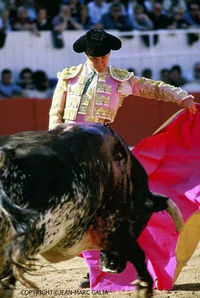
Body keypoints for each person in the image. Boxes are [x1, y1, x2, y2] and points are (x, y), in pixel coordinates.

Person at [48, 29, 197, 291]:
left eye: (104, 57)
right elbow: (55, 114)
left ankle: (101, 265)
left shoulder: (120, 80)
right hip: (69, 148)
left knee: (102, 208)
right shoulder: (68, 77)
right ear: (86, 55)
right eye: (96, 58)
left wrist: (180, 96)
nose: (101, 62)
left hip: (102, 148)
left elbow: (151, 88)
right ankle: (94, 265)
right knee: (76, 213)